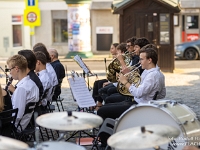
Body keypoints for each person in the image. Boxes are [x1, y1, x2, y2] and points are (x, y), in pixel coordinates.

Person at [97, 46, 166, 149]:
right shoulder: (153, 72)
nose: (140, 61)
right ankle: (113, 138)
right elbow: (162, 93)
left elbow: (138, 93)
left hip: (139, 107)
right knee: (107, 104)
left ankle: (105, 145)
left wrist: (125, 81)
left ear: (150, 60)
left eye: (142, 59)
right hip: (138, 103)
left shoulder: (153, 75)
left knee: (102, 111)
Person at [103, 37, 150, 104]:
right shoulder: (134, 58)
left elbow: (132, 76)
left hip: (134, 95)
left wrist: (121, 61)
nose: (134, 49)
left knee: (108, 95)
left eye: (136, 47)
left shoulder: (138, 60)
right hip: (131, 91)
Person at [7, 55, 39, 131]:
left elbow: (17, 115)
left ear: (16, 68)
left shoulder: (21, 89)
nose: (10, 73)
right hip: (23, 124)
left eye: (10, 69)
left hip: (14, 127)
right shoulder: (32, 84)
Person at [92, 43, 119, 109]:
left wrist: (110, 82)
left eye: (112, 48)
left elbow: (117, 75)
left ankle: (99, 104)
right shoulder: (114, 58)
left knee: (101, 84)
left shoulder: (119, 59)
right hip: (112, 80)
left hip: (115, 81)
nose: (110, 50)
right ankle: (93, 103)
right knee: (97, 82)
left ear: (117, 49)